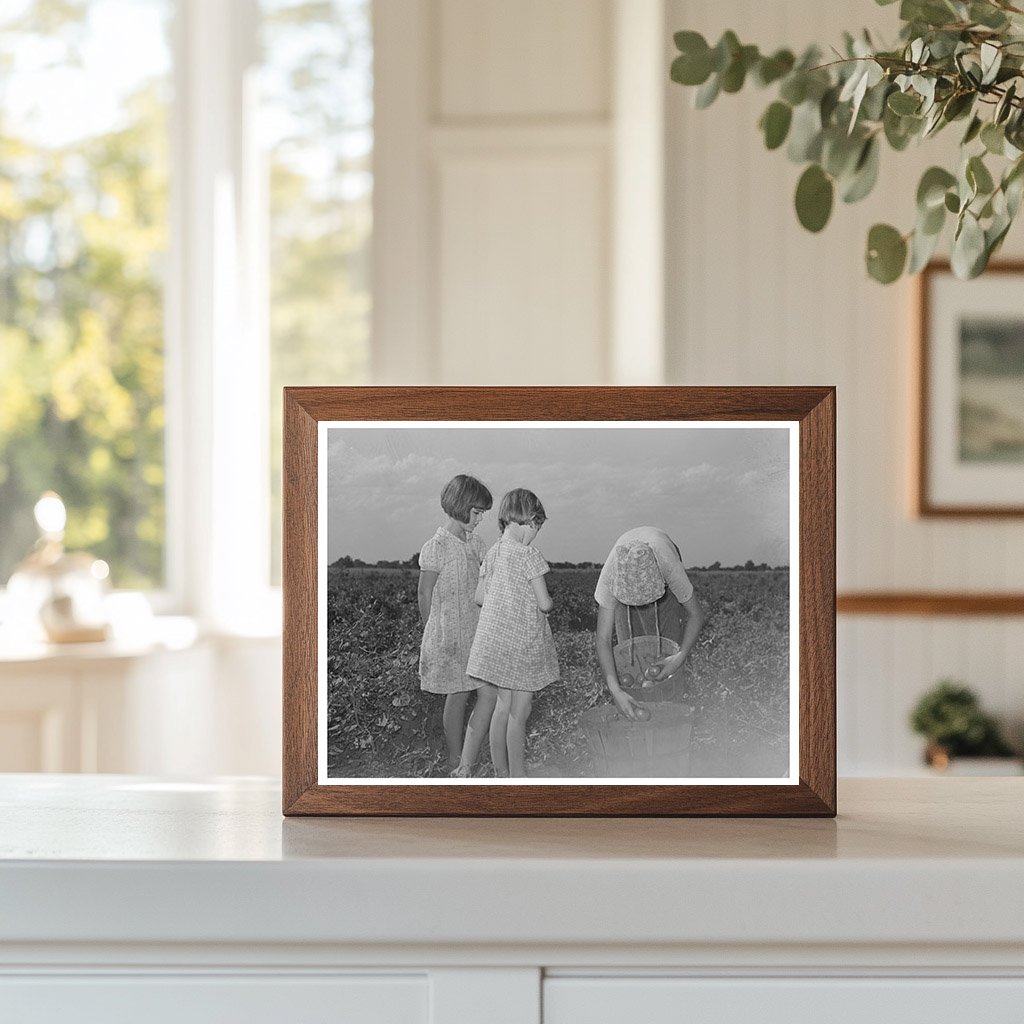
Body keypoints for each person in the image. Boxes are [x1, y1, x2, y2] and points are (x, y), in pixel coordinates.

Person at [467, 488, 559, 778]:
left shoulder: (493, 552)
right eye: (537, 527)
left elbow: (479, 597)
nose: (536, 535)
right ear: (529, 521)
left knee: (501, 709)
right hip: (521, 645)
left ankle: (501, 773)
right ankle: (519, 778)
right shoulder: (529, 555)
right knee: (520, 713)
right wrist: (550, 601)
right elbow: (544, 603)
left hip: (495, 644)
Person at [417, 473, 496, 774]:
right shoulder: (437, 546)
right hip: (449, 635)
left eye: (482, 515)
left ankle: (470, 755)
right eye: (476, 513)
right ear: (461, 507)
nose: (479, 520)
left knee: (489, 693)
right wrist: (431, 630)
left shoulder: (476, 543)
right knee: (458, 695)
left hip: (476, 631)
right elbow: (425, 592)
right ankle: (456, 758)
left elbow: (488, 579)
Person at [594, 527, 705, 721]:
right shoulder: (612, 577)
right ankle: (635, 700)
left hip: (662, 558)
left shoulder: (668, 566)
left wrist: (680, 656)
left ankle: (671, 705)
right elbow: (602, 639)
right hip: (624, 571)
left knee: (669, 641)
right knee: (629, 649)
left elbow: (696, 614)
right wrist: (615, 690)